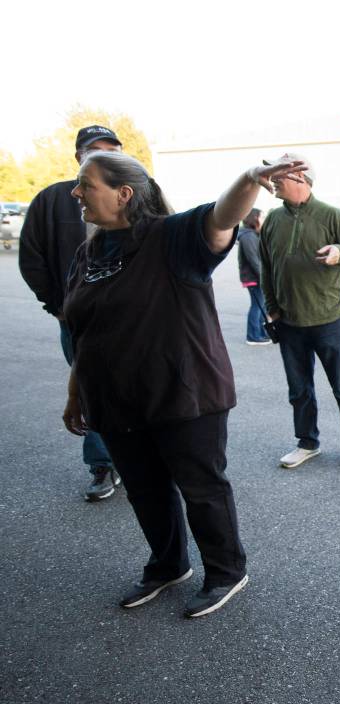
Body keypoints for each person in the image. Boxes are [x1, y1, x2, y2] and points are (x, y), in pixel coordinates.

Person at [61, 151, 304, 617]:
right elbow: (83, 331)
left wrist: (251, 178)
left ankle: (225, 570)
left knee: (200, 487)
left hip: (183, 394)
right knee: (144, 487)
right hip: (114, 400)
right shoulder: (87, 253)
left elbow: (221, 217)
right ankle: (168, 565)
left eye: (85, 184)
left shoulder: (170, 238)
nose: (77, 193)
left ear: (123, 193)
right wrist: (76, 394)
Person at [19, 125, 122, 501]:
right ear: (78, 156)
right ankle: (102, 465)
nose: (104, 156)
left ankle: (140, 458)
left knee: (137, 384)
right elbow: (32, 258)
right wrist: (59, 307)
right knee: (91, 386)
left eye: (112, 150)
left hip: (130, 321)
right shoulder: (53, 200)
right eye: (96, 150)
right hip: (77, 320)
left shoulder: (136, 196)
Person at [259, 153, 340, 472]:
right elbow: (266, 267)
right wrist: (272, 308)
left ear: (299, 178)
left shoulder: (331, 215)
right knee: (299, 389)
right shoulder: (272, 220)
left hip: (329, 319)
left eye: (278, 175)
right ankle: (307, 443)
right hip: (289, 322)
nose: (273, 181)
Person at [237, 208, 271, 345]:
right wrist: (265, 278)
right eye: (262, 217)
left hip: (256, 277)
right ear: (254, 218)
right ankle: (253, 336)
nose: (264, 219)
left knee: (261, 306)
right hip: (254, 278)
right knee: (257, 307)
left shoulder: (253, 235)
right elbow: (254, 261)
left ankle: (261, 333)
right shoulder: (248, 237)